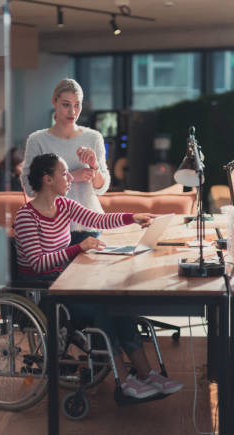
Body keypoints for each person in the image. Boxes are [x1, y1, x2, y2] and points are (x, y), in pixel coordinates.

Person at [15, 153, 183, 399]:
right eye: (64, 173)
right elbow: (39, 263)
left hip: (67, 281)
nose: (70, 178)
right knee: (102, 309)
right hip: (45, 291)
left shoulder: (64, 205)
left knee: (118, 304)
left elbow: (99, 219)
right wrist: (78, 248)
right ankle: (125, 381)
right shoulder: (26, 217)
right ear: (48, 179)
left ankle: (147, 374)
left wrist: (132, 218)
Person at [21, 78, 110, 246]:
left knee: (89, 272)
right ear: (54, 102)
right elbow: (29, 187)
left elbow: (102, 188)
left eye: (77, 105)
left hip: (89, 225)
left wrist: (94, 167)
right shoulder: (37, 140)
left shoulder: (94, 137)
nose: (73, 111)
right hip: (51, 226)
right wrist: (70, 176)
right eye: (66, 104)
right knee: (58, 272)